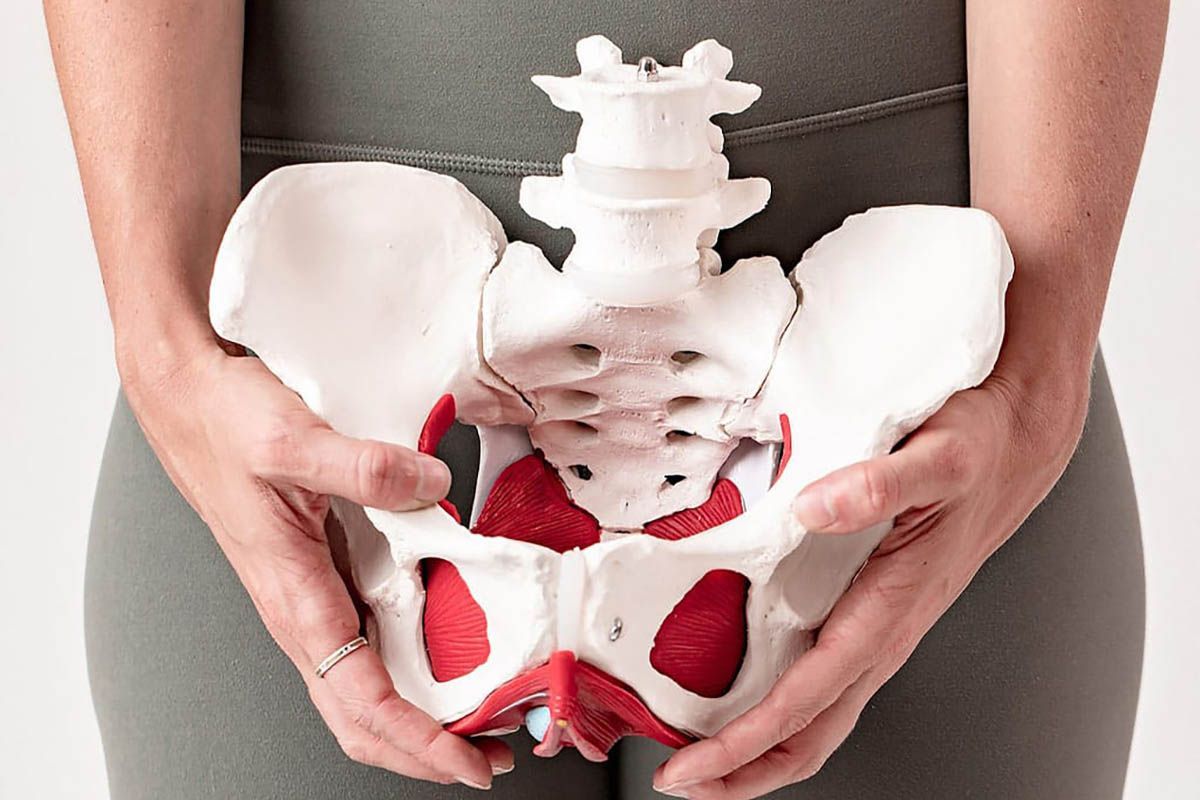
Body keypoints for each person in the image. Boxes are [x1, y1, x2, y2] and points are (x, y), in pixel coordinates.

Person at [47, 2, 1167, 798]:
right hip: (309, 390)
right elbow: (176, 344)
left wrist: (1038, 363)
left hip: (920, 389)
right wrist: (167, 348)